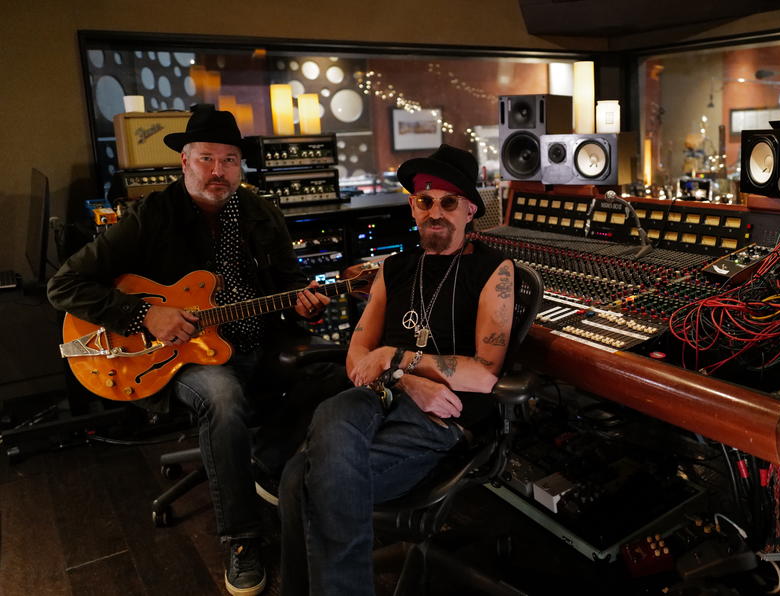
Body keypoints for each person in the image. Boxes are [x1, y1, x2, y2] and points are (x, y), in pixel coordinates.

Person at [48, 105, 337, 596]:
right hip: (175, 355)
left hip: (256, 342)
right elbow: (64, 285)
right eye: (206, 159)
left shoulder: (260, 211)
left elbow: (291, 284)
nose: (218, 171)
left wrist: (306, 307)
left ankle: (263, 460)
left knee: (338, 368)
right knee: (223, 399)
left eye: (229, 160)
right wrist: (144, 315)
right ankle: (243, 539)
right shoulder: (150, 215)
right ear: (184, 162)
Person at [278, 144, 514, 595]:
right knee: (333, 411)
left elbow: (483, 374)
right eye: (425, 201)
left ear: (469, 210)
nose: (435, 212)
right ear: (413, 206)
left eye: (448, 202)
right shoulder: (395, 269)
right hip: (384, 394)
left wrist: (394, 358)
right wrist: (405, 380)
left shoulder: (493, 271)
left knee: (298, 478)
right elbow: (356, 359)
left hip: (441, 418)